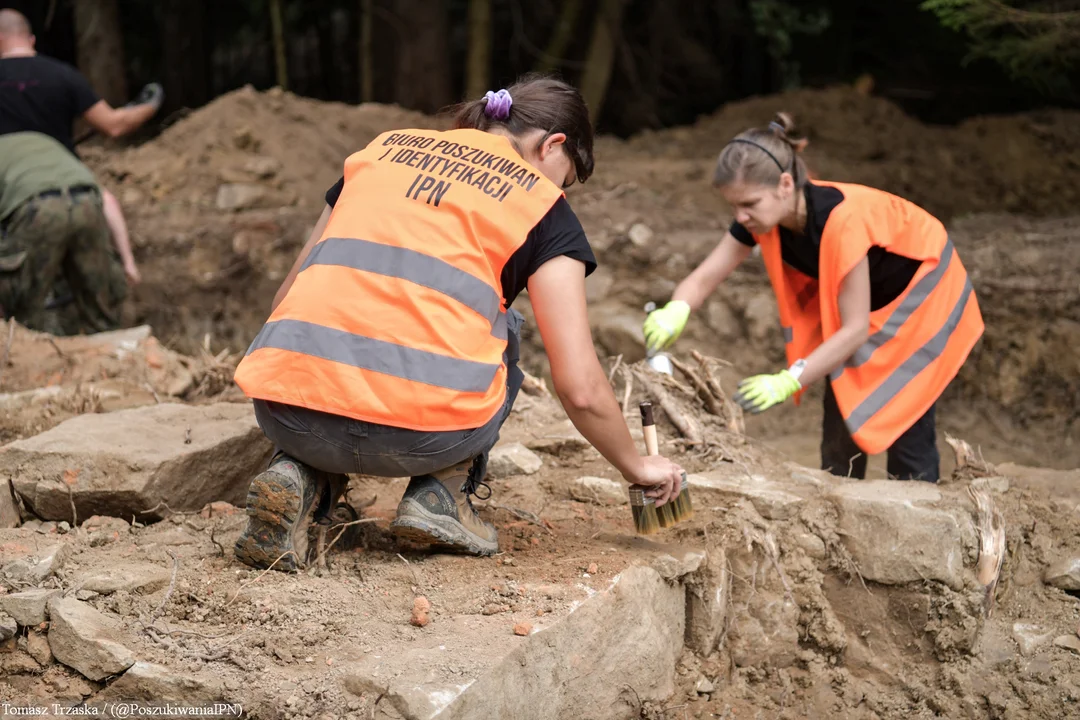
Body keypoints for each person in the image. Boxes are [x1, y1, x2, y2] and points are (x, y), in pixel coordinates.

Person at [231, 75, 685, 571]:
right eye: (566, 176)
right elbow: (578, 386)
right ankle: (440, 495)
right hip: (422, 441)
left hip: (288, 414)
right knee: (503, 323)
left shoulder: (379, 153)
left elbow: (286, 297)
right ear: (553, 144)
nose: (559, 190)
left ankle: (297, 473)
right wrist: (637, 466)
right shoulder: (541, 206)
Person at [643, 113, 984, 483]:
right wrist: (676, 309)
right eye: (733, 206)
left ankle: (921, 502)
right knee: (841, 394)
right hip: (872, 303)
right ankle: (838, 490)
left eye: (749, 204)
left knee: (905, 407)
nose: (740, 216)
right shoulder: (765, 216)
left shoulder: (842, 222)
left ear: (785, 185)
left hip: (924, 293)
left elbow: (853, 331)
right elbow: (706, 275)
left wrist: (789, 379)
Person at [0, 9, 163, 289]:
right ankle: (128, 266)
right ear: (31, 39)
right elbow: (114, 125)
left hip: (14, 188)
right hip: (72, 181)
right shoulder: (63, 75)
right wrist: (151, 104)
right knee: (106, 200)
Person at [0, 132, 127, 333]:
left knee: (24, 309)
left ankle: (29, 350)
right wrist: (128, 263)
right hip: (87, 201)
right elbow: (109, 201)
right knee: (101, 305)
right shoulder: (41, 142)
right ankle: (119, 354)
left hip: (38, 209)